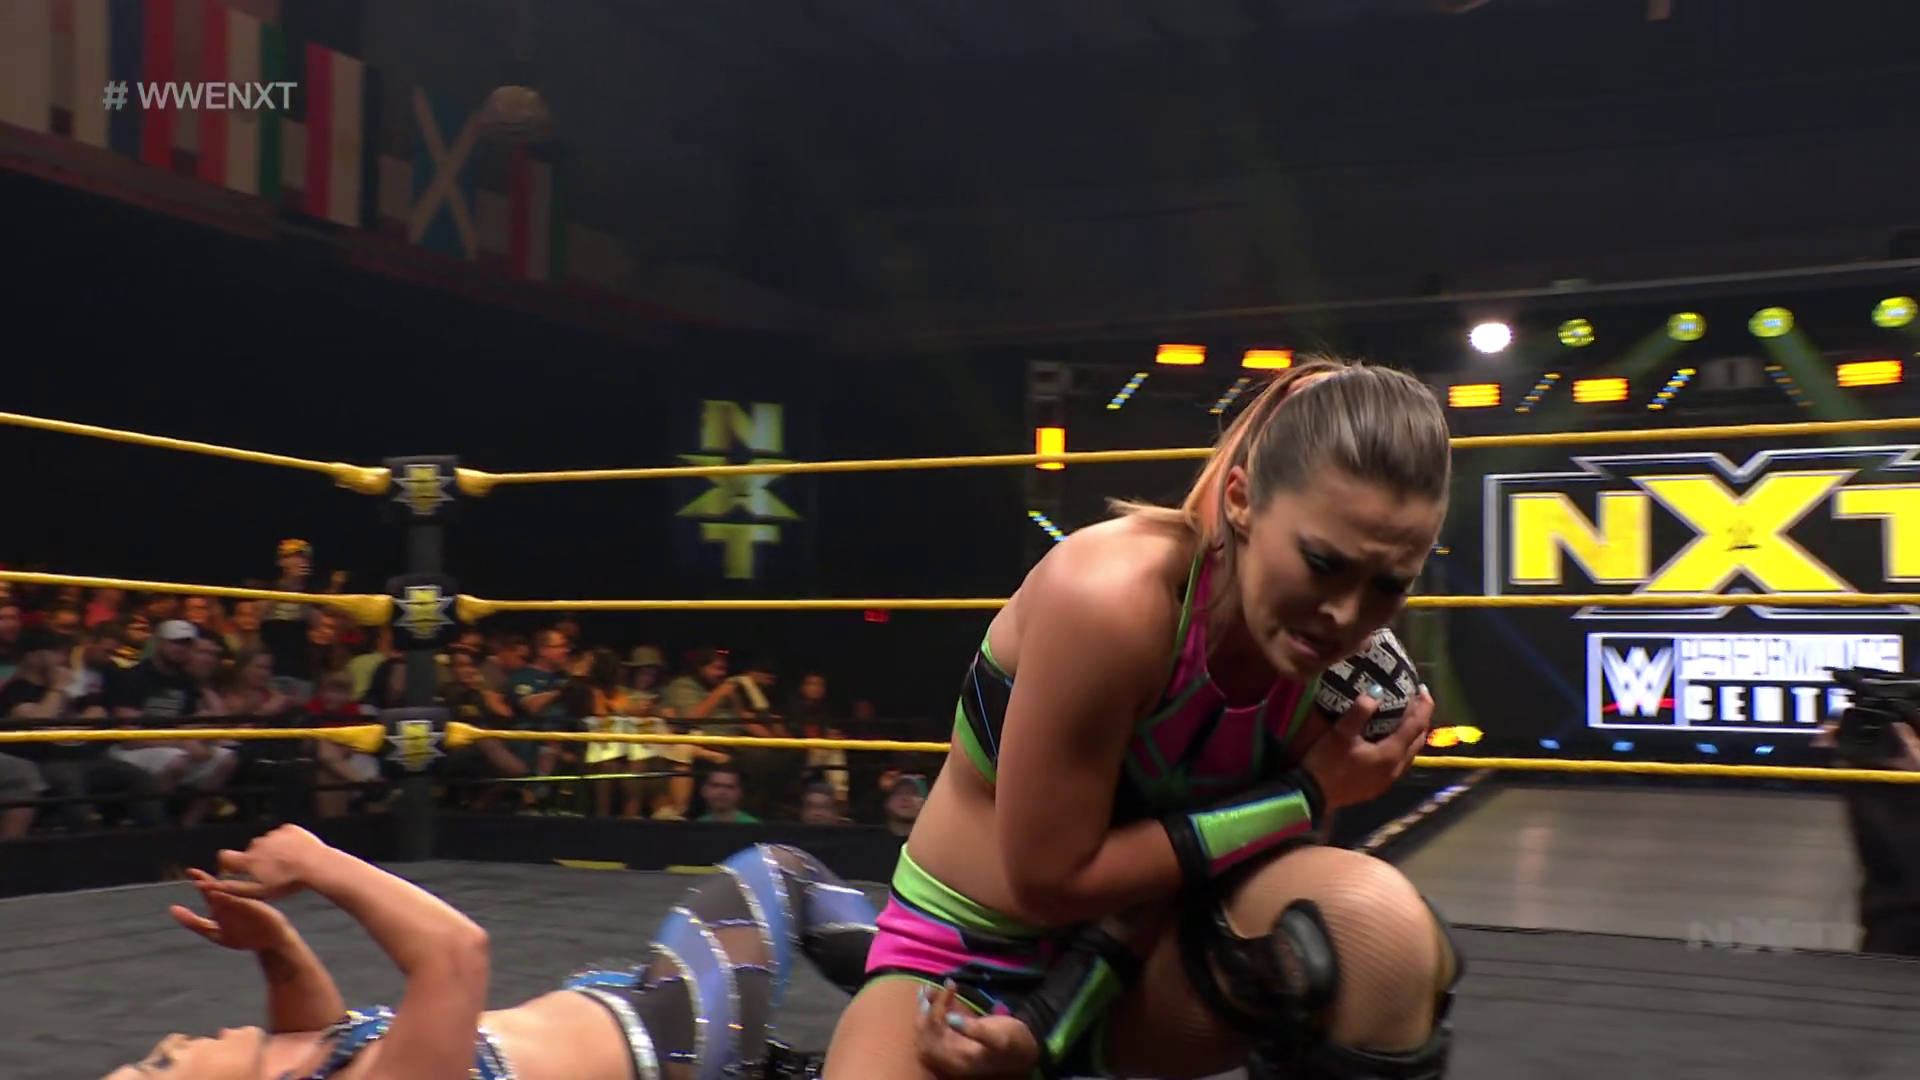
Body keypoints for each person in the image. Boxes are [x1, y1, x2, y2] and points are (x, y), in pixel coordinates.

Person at [824, 359, 1460, 1080]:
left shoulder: (1342, 679)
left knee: (1382, 934)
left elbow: (1196, 873)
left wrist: (1048, 1033)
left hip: (1142, 972)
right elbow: (1050, 882)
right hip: (961, 963)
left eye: (1389, 585)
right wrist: (1308, 793)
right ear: (1242, 500)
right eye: (1322, 562)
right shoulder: (1109, 599)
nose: (1346, 614)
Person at [101, 825, 882, 1080]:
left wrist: (275, 945)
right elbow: (456, 954)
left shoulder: (299, 1069)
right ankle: (941, 977)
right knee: (780, 874)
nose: (173, 1041)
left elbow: (324, 1033)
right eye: (162, 1066)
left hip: (635, 1009)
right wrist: (318, 860)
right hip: (669, 1039)